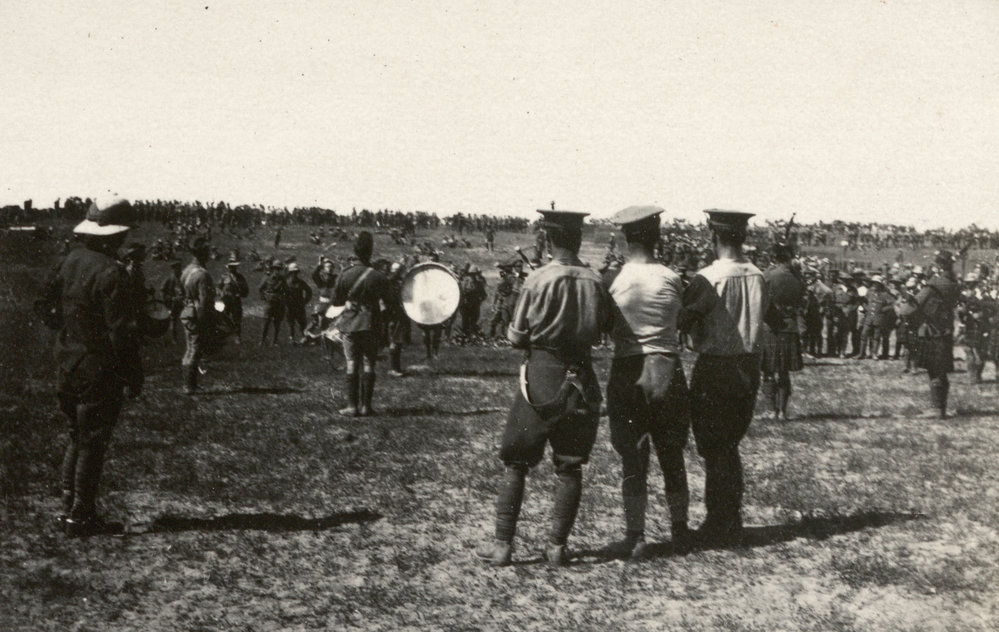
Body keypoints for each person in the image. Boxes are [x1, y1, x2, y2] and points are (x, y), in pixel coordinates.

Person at [476, 209, 612, 568]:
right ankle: (557, 547)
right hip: (580, 378)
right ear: (579, 239)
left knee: (516, 461)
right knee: (570, 466)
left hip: (541, 374)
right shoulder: (595, 280)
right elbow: (602, 329)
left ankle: (503, 545)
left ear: (548, 239)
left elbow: (515, 336)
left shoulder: (538, 278)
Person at [43, 196, 143, 536]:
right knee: (93, 442)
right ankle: (81, 515)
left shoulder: (68, 261)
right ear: (115, 235)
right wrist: (133, 373)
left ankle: (68, 506)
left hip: (68, 362)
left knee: (76, 434)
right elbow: (122, 333)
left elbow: (43, 305)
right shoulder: (112, 272)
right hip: (98, 369)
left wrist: (70, 332)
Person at [604, 206, 692, 558]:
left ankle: (636, 535)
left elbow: (607, 324)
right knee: (673, 456)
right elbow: (680, 319)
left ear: (626, 238)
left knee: (633, 457)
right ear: (658, 237)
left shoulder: (614, 279)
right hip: (668, 368)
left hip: (629, 369)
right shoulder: (672, 278)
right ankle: (680, 530)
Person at [678, 209, 768, 548]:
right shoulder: (759, 275)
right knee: (729, 445)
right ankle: (729, 517)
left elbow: (683, 318)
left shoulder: (710, 276)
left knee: (715, 447)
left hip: (716, 365)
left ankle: (722, 522)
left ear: (713, 236)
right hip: (749, 365)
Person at [331, 232, 390, 416]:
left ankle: (351, 406)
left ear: (355, 251)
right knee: (369, 364)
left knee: (351, 363)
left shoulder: (345, 274)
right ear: (370, 251)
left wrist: (349, 302)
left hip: (350, 324)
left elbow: (336, 301)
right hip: (371, 324)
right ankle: (366, 407)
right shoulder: (378, 277)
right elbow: (389, 301)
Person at [899, 251, 960, 418]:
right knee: (941, 370)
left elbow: (911, 307)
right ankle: (941, 408)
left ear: (939, 265)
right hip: (945, 330)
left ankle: (936, 410)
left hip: (931, 331)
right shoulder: (953, 283)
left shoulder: (934, 284)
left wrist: (904, 303)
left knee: (934, 370)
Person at [760, 242, 806, 421]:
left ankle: (771, 409)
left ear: (775, 258)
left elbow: (762, 300)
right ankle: (782, 411)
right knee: (784, 371)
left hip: (771, 326)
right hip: (790, 327)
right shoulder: (798, 278)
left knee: (769, 371)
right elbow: (802, 303)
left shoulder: (769, 275)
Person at [179, 237, 216, 394]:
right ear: (202, 254)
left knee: (190, 348)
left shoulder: (186, 270)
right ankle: (189, 385)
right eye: (207, 252)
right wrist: (205, 322)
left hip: (187, 312)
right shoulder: (202, 275)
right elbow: (204, 302)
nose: (209, 255)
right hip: (196, 314)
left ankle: (190, 383)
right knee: (195, 349)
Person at [385, 262, 411, 376]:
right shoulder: (390, 283)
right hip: (394, 315)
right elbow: (389, 300)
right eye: (397, 270)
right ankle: (392, 369)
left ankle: (397, 367)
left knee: (398, 341)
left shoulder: (398, 282)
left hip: (400, 314)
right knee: (394, 340)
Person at [217, 253, 249, 344]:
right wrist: (221, 293)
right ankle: (225, 336)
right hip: (226, 301)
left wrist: (240, 294)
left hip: (236, 301)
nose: (233, 268)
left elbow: (246, 289)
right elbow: (218, 287)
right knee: (224, 318)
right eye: (231, 266)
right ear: (228, 267)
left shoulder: (240, 277)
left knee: (237, 319)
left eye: (234, 267)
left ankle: (237, 337)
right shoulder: (224, 277)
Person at [258, 261, 287, 345]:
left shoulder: (282, 279)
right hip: (269, 303)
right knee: (266, 321)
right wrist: (263, 297)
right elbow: (260, 288)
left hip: (279, 303)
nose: (277, 271)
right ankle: (262, 340)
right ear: (273, 269)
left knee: (277, 323)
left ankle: (275, 341)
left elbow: (286, 289)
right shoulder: (267, 277)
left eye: (279, 269)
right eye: (276, 268)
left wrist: (283, 298)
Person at [284, 262, 313, 344]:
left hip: (299, 305)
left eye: (296, 272)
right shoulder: (286, 282)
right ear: (290, 273)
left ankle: (304, 338)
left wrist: (305, 301)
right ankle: (291, 338)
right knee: (291, 323)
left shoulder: (300, 282)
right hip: (289, 305)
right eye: (293, 272)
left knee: (302, 322)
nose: (295, 274)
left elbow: (309, 291)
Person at [160, 260, 184, 344]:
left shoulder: (183, 277)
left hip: (183, 301)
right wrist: (168, 298)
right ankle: (174, 337)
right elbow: (162, 290)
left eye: (179, 268)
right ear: (173, 269)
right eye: (176, 269)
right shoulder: (170, 279)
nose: (178, 270)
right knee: (173, 320)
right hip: (174, 303)